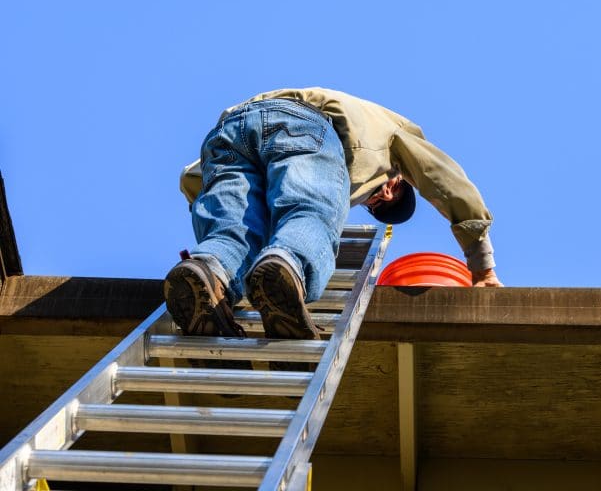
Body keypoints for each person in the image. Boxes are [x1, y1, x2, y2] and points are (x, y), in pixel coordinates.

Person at [163, 87, 502, 343]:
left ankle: (210, 270)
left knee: (229, 234)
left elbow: (193, 181)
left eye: (370, 203)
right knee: (308, 213)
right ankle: (286, 265)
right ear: (393, 183)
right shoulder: (393, 136)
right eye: (382, 193)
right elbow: (441, 177)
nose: (374, 198)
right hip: (304, 126)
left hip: (228, 131)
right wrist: (482, 265)